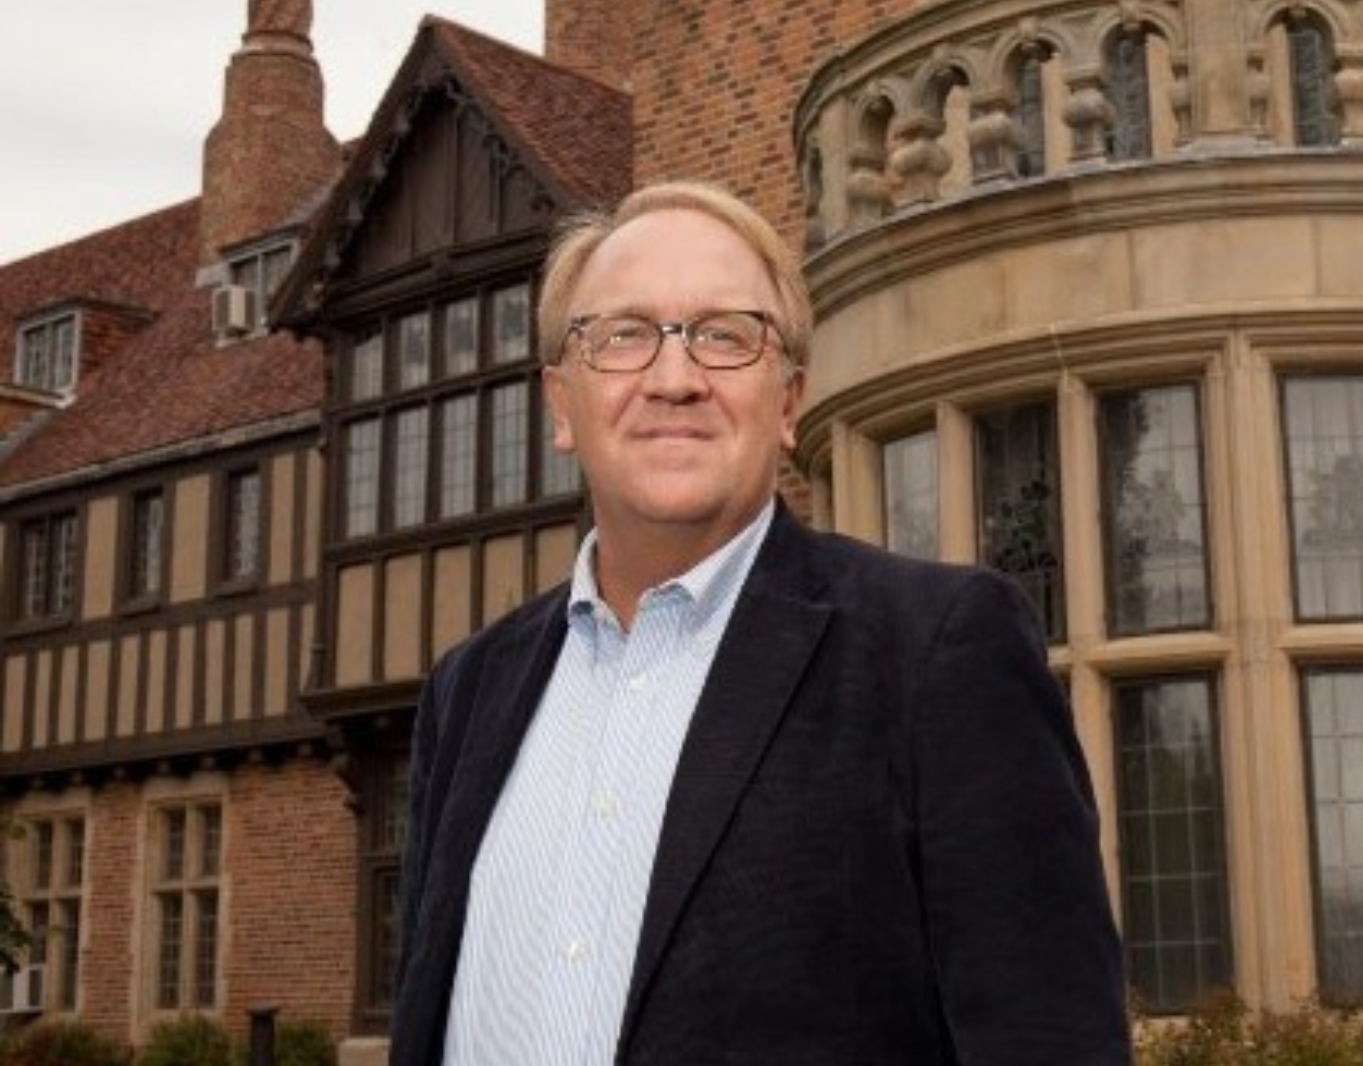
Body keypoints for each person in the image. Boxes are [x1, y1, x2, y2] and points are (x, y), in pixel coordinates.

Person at [388, 181, 1130, 1066]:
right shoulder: (468, 693)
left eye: (726, 337)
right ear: (559, 404)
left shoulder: (938, 653)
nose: (674, 379)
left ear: (787, 403)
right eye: (623, 335)